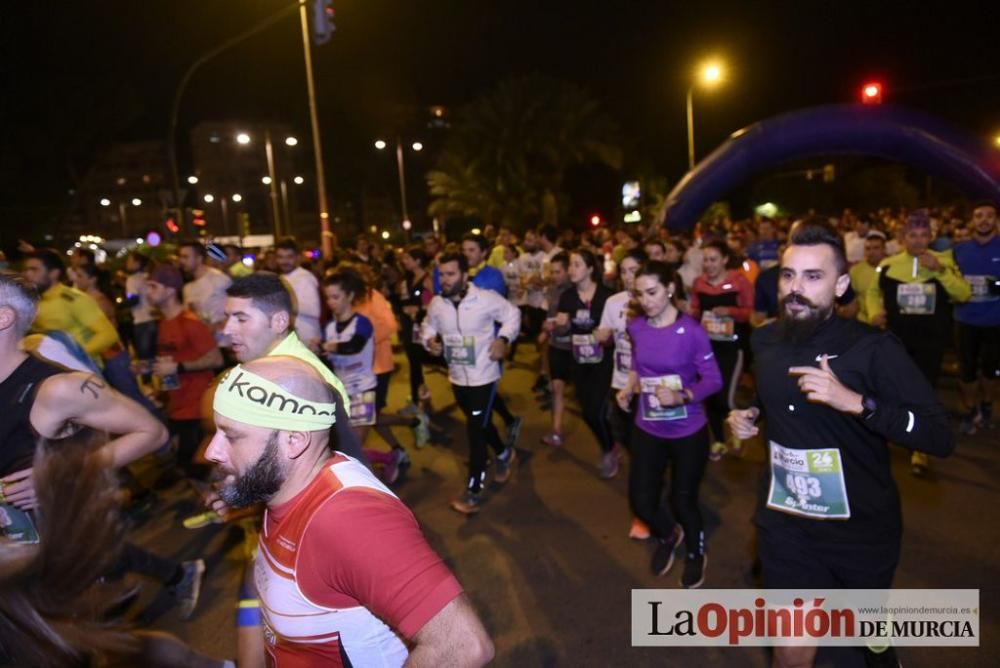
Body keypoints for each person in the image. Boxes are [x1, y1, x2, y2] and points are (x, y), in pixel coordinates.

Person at [728, 218, 954, 668]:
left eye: (814, 277)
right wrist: (750, 415)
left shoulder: (873, 349)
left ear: (840, 285)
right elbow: (771, 397)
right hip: (786, 525)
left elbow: (938, 434)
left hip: (860, 532)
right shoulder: (766, 339)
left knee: (865, 643)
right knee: (791, 651)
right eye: (790, 275)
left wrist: (857, 403)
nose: (796, 287)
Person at [204, 356, 494, 666]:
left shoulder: (348, 520)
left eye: (231, 436)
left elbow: (462, 645)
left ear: (293, 442)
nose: (211, 451)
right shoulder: (285, 489)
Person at [0, 271, 206, 618]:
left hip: (64, 552)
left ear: (4, 317)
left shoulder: (55, 389)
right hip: (17, 553)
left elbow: (151, 432)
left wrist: (59, 475)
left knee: (95, 646)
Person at [616, 261, 722, 587]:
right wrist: (629, 385)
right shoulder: (636, 327)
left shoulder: (691, 331)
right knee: (642, 500)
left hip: (687, 430)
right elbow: (638, 363)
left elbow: (714, 380)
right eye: (640, 294)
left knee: (683, 499)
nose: (646, 300)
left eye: (653, 292)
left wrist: (683, 395)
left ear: (670, 289)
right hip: (648, 426)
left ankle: (695, 553)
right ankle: (668, 534)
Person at [866, 211, 971, 475]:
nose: (918, 240)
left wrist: (940, 271)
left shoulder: (943, 261)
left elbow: (963, 293)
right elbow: (873, 291)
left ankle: (920, 450)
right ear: (903, 238)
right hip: (896, 340)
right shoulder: (889, 264)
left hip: (931, 341)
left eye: (924, 235)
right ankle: (893, 434)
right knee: (892, 390)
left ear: (931, 237)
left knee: (923, 392)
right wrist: (873, 312)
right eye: (913, 235)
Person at [221, 272, 363, 462]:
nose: (227, 329)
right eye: (228, 317)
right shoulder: (264, 369)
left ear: (279, 321)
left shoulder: (308, 382)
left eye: (241, 319)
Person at [422, 252, 522, 514]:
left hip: (484, 377)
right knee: (481, 424)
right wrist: (429, 341)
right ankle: (502, 454)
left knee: (475, 432)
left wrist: (503, 340)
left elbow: (513, 315)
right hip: (456, 377)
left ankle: (473, 490)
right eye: (441, 274)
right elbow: (428, 327)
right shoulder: (437, 305)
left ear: (465, 275)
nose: (445, 279)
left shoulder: (485, 299)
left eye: (451, 274)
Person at [322, 269, 407, 484]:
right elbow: (328, 360)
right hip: (342, 393)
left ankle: (385, 466)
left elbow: (354, 346)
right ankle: (391, 457)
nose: (330, 302)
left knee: (351, 449)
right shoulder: (330, 327)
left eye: (335, 297)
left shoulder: (362, 323)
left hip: (364, 389)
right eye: (327, 297)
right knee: (344, 448)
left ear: (349, 296)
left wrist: (330, 346)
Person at [145, 264, 223, 478]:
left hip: (196, 408)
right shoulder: (164, 323)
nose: (147, 292)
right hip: (177, 406)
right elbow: (170, 363)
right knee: (187, 468)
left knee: (196, 468)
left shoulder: (190, 323)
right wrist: (160, 387)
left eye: (153, 286)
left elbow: (216, 358)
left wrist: (178, 367)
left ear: (170, 290)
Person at [595, 249, 650, 538]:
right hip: (621, 386)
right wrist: (600, 337)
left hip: (650, 388)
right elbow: (604, 334)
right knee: (630, 444)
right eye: (625, 271)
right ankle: (647, 499)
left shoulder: (653, 302)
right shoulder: (613, 302)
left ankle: (643, 513)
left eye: (634, 270)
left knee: (644, 452)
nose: (629, 277)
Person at [687, 241, 754, 460]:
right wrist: (688, 312)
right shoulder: (699, 283)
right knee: (709, 394)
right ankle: (718, 440)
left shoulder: (738, 281)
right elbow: (696, 311)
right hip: (707, 347)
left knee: (726, 396)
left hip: (733, 347)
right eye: (705, 260)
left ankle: (738, 430)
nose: (709, 264)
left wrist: (730, 311)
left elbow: (748, 313)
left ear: (725, 259)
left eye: (713, 259)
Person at [556, 248, 620, 477]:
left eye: (576, 265)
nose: (570, 270)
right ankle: (611, 444)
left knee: (595, 410)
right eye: (570, 266)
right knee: (587, 412)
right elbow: (564, 330)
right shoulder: (567, 297)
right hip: (579, 359)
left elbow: (619, 328)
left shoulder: (607, 296)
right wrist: (561, 325)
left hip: (604, 359)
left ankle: (608, 451)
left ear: (590, 269)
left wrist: (608, 334)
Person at [952, 201, 1000, 434]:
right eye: (979, 215)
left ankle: (988, 406)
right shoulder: (959, 250)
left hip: (995, 321)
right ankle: (971, 410)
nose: (984, 220)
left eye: (989, 216)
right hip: (965, 320)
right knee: (967, 370)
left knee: (991, 370)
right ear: (972, 220)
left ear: (996, 221)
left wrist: (997, 285)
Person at [397, 246, 435, 415]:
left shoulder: (427, 280)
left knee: (418, 361)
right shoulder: (408, 278)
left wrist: (417, 309)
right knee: (414, 363)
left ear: (417, 261)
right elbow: (402, 299)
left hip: (422, 327)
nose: (404, 261)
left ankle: (419, 399)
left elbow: (432, 304)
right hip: (409, 326)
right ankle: (419, 398)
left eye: (408, 258)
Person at [539, 252, 572, 446]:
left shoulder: (577, 292)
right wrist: (546, 329)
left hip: (575, 348)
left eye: (558, 271)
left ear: (569, 271)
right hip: (556, 345)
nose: (554, 275)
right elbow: (551, 316)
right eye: (552, 271)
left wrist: (561, 325)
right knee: (557, 388)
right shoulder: (551, 290)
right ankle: (557, 432)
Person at [274, 237, 323, 346]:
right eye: (280, 257)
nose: (284, 261)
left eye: (289, 257)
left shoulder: (305, 277)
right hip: (292, 341)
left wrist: (283, 303)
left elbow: (314, 310)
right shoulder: (281, 278)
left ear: (298, 257)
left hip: (308, 341)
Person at [178, 240, 232, 334]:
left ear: (199, 259)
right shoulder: (187, 288)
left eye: (185, 257)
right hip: (202, 344)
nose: (181, 261)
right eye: (180, 257)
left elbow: (239, 308)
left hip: (224, 343)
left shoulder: (219, 279)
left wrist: (217, 327)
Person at [125, 251, 158, 366]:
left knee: (145, 359)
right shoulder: (150, 277)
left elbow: (133, 299)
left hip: (141, 321)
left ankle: (149, 382)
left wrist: (121, 306)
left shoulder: (132, 279)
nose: (126, 263)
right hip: (155, 319)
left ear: (137, 263)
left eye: (129, 261)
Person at [848, 231, 887, 324]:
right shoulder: (855, 271)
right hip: (863, 324)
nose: (871, 252)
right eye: (868, 248)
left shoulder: (893, 268)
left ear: (884, 249)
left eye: (876, 248)